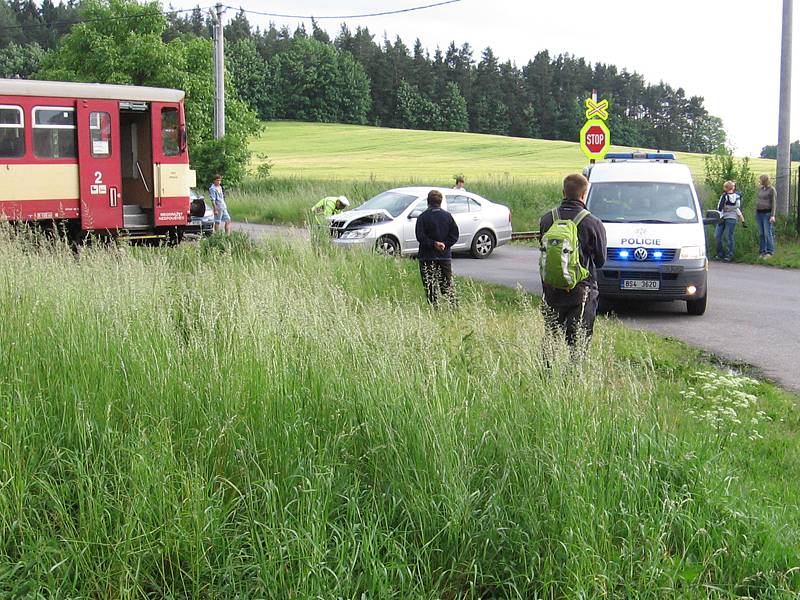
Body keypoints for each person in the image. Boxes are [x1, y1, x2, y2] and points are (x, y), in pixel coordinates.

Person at [539, 173, 606, 349]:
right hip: (582, 293)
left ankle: (545, 375)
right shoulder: (593, 223)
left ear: (563, 192)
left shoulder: (547, 219)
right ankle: (574, 376)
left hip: (552, 292)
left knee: (551, 342)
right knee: (578, 345)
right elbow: (600, 260)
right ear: (584, 195)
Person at [415, 189, 459, 306]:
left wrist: (433, 244)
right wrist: (445, 244)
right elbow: (454, 235)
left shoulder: (422, 217)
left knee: (430, 287)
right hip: (444, 257)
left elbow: (420, 237)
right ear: (440, 202)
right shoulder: (448, 216)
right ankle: (454, 309)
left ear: (428, 202)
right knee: (447, 286)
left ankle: (434, 310)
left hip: (427, 257)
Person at [714, 180, 746, 261]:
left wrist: (726, 208)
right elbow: (737, 208)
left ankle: (727, 255)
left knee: (726, 236)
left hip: (728, 217)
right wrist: (742, 220)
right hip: (727, 217)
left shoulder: (727, 196)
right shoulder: (735, 197)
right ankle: (723, 254)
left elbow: (720, 208)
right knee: (721, 236)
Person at [755, 174, 777, 258]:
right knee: (761, 233)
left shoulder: (771, 190)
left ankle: (770, 251)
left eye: (760, 180)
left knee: (767, 233)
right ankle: (762, 251)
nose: (759, 181)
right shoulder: (761, 189)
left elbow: (774, 203)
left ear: (764, 180)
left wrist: (772, 215)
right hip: (759, 212)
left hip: (767, 213)